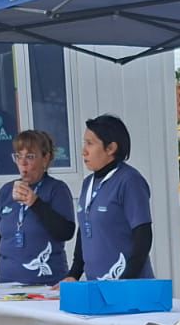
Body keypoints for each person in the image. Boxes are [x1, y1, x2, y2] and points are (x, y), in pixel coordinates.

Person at [66, 114, 155, 281]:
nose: (84, 150)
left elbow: (143, 237)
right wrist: (74, 274)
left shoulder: (129, 181)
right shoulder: (88, 183)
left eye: (90, 144)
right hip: (97, 286)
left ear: (111, 148)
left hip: (128, 288)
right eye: (84, 143)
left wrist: (126, 281)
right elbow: (84, 232)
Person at [0, 130, 75, 286]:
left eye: (30, 157)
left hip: (47, 283)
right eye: (19, 156)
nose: (23, 163)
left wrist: (35, 203)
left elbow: (66, 232)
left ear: (45, 159)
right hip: (7, 283)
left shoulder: (56, 189)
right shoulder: (7, 190)